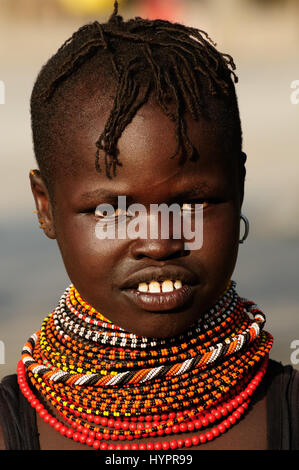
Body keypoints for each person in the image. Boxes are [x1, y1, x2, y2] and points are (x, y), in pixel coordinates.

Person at [0, 1, 298, 451]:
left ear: (237, 187)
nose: (159, 242)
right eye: (113, 210)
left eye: (193, 202)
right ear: (46, 207)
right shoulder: (10, 429)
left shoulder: (287, 411)